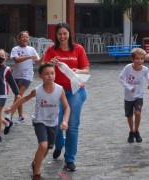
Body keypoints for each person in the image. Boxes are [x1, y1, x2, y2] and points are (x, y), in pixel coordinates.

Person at [4, 62, 70, 179]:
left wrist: (65, 121)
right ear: (40, 76)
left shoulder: (60, 90)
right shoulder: (37, 90)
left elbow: (67, 107)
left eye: (52, 73)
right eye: (46, 74)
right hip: (40, 121)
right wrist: (12, 107)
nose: (50, 76)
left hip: (53, 123)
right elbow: (24, 98)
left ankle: (35, 163)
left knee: (48, 147)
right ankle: (37, 173)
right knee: (43, 146)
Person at [43, 22, 90, 171]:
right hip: (57, 91)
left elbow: (86, 69)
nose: (62, 36)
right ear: (55, 36)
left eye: (65, 33)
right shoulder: (51, 50)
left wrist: (78, 70)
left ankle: (69, 159)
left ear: (70, 34)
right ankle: (59, 144)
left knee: (72, 125)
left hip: (75, 91)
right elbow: (44, 70)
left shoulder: (78, 49)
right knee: (55, 124)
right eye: (59, 34)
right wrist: (50, 64)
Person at [6, 31, 43, 126]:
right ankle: (21, 116)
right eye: (23, 37)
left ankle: (9, 115)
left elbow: (38, 62)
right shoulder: (15, 49)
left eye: (27, 37)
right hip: (16, 75)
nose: (25, 38)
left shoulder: (31, 49)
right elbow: (16, 60)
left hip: (27, 75)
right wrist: (29, 57)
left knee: (18, 95)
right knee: (19, 96)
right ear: (19, 38)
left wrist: (43, 57)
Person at [118, 48, 149, 143]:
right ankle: (131, 131)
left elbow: (148, 77)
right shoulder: (128, 68)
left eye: (142, 59)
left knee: (137, 113)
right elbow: (121, 79)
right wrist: (129, 87)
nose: (140, 61)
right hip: (128, 96)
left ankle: (137, 131)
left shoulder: (145, 69)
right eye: (137, 58)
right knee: (129, 115)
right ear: (133, 59)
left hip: (139, 95)